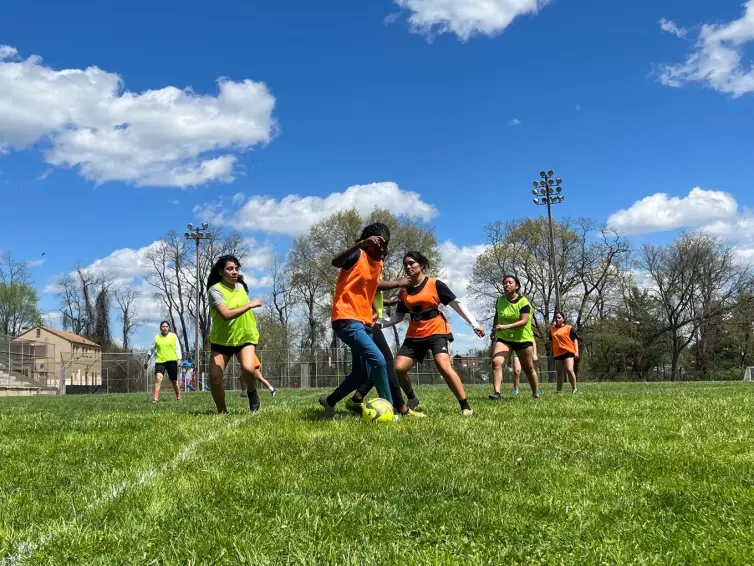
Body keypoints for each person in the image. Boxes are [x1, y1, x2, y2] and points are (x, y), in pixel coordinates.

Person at [380, 251, 485, 416]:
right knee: (398, 368)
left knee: (443, 365)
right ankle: (412, 398)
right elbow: (398, 317)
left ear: (421, 265)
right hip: (414, 334)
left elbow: (456, 304)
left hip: (436, 330)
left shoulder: (435, 284)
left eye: (412, 263)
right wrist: (379, 324)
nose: (408, 267)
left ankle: (465, 406)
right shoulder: (404, 291)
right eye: (405, 264)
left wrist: (475, 324)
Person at [319, 223, 397, 416]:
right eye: (379, 243)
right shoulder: (357, 255)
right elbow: (335, 262)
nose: (383, 249)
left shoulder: (378, 263)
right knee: (378, 360)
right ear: (369, 243)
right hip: (346, 319)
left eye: (386, 244)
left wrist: (374, 308)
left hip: (365, 321)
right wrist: (360, 244)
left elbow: (367, 288)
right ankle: (390, 410)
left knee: (362, 373)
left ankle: (330, 401)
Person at [345, 286, 425, 419]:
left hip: (367, 320)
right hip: (365, 319)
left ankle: (355, 398)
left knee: (377, 366)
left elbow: (372, 290)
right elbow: (371, 284)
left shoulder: (375, 266)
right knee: (386, 363)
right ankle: (401, 408)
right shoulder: (371, 265)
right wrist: (399, 282)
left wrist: (386, 302)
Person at [207, 254, 263, 414]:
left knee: (248, 368)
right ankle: (222, 411)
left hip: (245, 336)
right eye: (229, 269)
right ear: (220, 271)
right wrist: (250, 305)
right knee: (215, 378)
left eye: (236, 269)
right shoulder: (215, 290)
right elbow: (225, 315)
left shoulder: (241, 287)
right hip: (222, 340)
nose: (234, 272)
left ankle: (252, 392)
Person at [489, 275, 541, 400]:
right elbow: (497, 315)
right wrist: (494, 329)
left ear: (516, 286)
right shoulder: (500, 300)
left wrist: (506, 327)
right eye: (505, 283)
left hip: (522, 338)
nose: (507, 285)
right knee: (496, 362)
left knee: (528, 368)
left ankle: (536, 393)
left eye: (510, 282)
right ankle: (497, 393)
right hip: (504, 338)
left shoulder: (524, 302)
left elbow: (524, 321)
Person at [144, 321, 183, 403]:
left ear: (169, 328)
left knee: (174, 381)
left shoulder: (173, 336)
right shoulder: (157, 337)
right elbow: (151, 349)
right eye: (163, 326)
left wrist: (179, 359)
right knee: (158, 378)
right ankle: (155, 398)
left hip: (171, 361)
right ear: (160, 328)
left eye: (166, 326)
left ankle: (179, 397)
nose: (164, 328)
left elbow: (178, 348)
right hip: (160, 361)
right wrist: (146, 360)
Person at [551, 311, 579, 393]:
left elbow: (575, 340)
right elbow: (551, 341)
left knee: (569, 370)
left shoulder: (568, 328)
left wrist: (576, 351)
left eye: (559, 317)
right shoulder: (552, 329)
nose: (557, 319)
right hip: (557, 353)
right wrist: (551, 353)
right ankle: (559, 390)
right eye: (556, 318)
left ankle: (574, 389)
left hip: (568, 351)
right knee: (559, 373)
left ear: (563, 319)